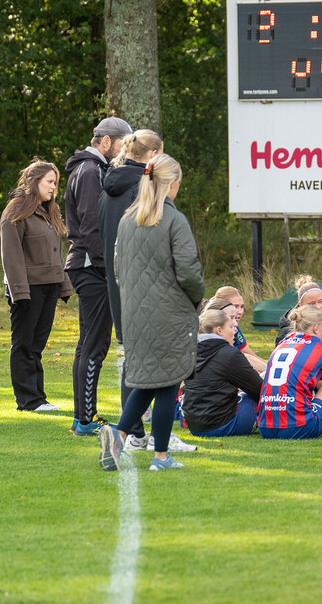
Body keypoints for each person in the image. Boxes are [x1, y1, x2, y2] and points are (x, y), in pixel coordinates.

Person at [98, 154, 205, 472]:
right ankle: (160, 456)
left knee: (149, 381)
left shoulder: (127, 220)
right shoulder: (173, 220)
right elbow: (189, 272)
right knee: (168, 383)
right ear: (172, 184)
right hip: (169, 312)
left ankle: (118, 435)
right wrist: (196, 298)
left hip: (134, 313)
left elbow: (118, 268)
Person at [66, 116, 133, 436]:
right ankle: (85, 419)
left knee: (89, 344)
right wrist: (108, 269)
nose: (124, 152)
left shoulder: (90, 168)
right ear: (106, 141)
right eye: (122, 144)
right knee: (94, 344)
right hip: (92, 267)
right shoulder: (91, 170)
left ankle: (83, 415)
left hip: (89, 265)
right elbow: (92, 226)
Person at [97, 128, 162, 440]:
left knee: (134, 359)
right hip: (142, 282)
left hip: (117, 279)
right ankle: (137, 432)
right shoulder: (143, 187)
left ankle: (134, 431)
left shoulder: (107, 189)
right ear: (153, 154)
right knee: (150, 361)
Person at [0, 160, 74, 412]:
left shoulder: (49, 210)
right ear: (34, 182)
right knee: (24, 344)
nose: (53, 187)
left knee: (37, 345)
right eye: (49, 182)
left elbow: (56, 253)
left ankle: (38, 397)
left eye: (55, 183)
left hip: (49, 286)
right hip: (27, 289)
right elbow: (11, 255)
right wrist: (19, 291)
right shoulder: (16, 209)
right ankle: (28, 400)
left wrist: (64, 284)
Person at [257, 305, 322, 439]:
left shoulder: (283, 343)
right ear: (316, 328)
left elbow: (304, 373)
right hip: (298, 427)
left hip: (265, 428)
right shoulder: (318, 347)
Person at [180, 308, 264, 437]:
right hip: (222, 425)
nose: (234, 331)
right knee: (263, 392)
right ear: (219, 330)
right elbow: (259, 389)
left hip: (194, 426)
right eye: (231, 327)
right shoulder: (229, 354)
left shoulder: (191, 352)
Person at [276, 276, 322, 359]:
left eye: (320, 301)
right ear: (301, 305)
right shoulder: (290, 325)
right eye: (312, 303)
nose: (318, 307)